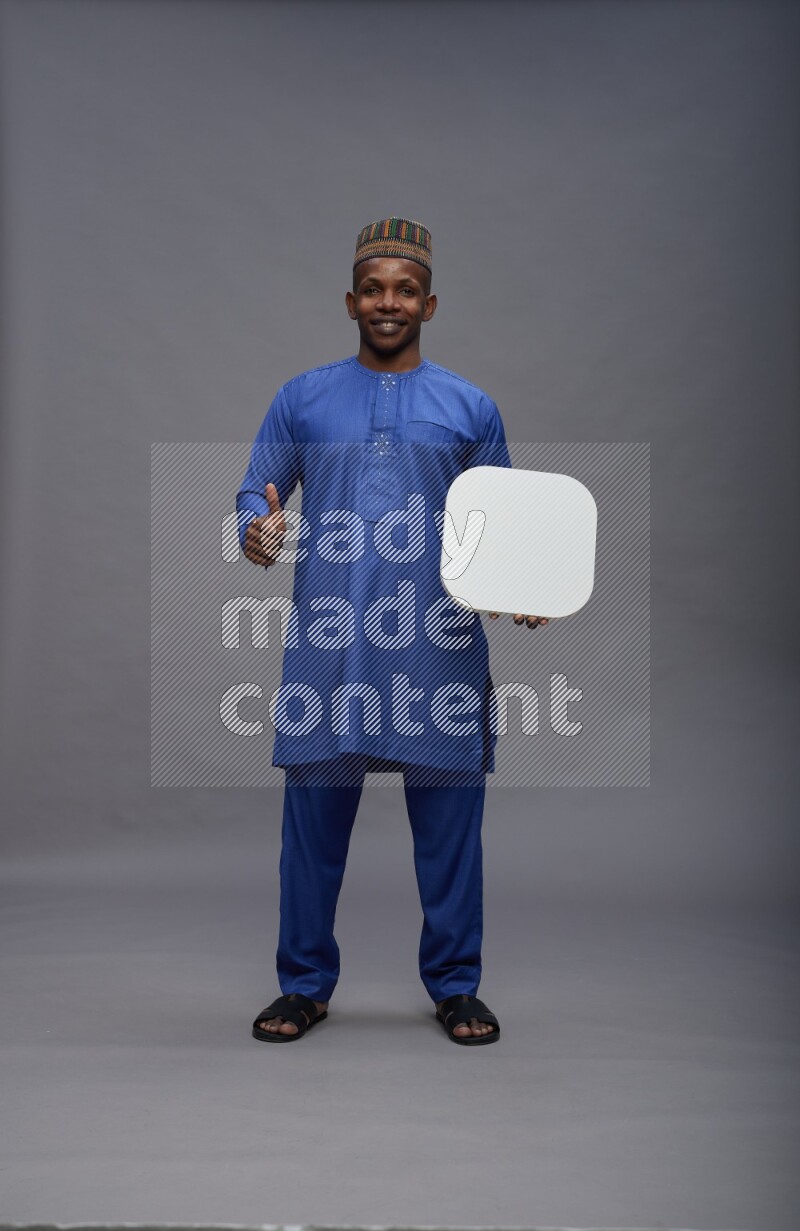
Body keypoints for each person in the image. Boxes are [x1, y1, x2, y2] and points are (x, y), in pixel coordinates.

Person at [236, 217, 547, 1045]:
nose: (388, 301)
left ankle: (455, 985)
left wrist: (524, 586)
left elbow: (505, 526)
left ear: (430, 303)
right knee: (310, 833)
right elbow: (254, 494)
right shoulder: (301, 398)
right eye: (373, 287)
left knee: (450, 837)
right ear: (350, 300)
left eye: (404, 289)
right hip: (328, 649)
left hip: (438, 651)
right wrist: (255, 531)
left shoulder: (469, 406)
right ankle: (303, 983)